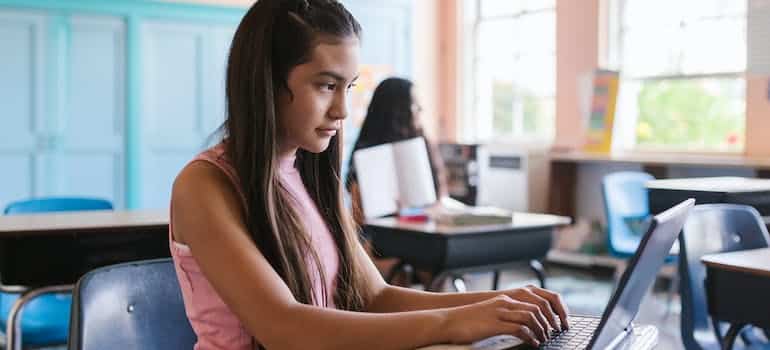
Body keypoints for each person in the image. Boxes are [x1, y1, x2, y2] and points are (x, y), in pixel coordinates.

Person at [170, 1, 569, 349]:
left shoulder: (308, 173)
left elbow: (374, 297)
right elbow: (285, 329)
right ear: (267, 84)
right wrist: (452, 322)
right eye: (327, 86)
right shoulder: (205, 185)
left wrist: (495, 304)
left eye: (350, 87)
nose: (343, 110)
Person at [345, 77, 447, 286]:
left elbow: (440, 198)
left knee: (434, 260)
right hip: (382, 242)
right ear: (397, 110)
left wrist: (414, 214)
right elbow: (359, 219)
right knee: (407, 266)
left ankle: (439, 310)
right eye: (414, 104)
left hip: (424, 233)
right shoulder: (368, 155)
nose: (420, 109)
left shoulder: (424, 147)